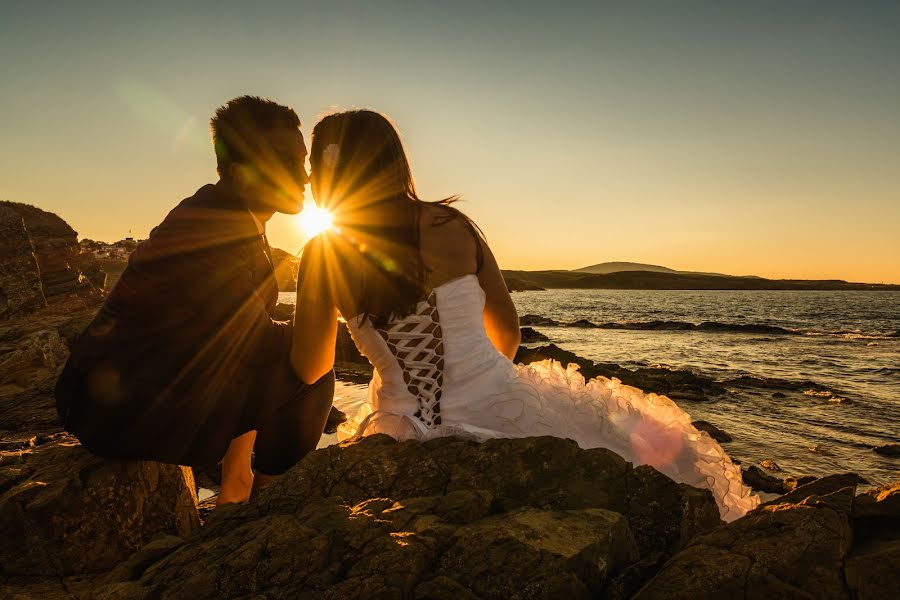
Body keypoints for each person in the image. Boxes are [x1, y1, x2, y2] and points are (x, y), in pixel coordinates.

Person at [290, 109, 759, 522]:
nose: (311, 179)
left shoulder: (322, 252)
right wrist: (483, 384)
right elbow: (507, 333)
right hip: (500, 400)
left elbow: (311, 367)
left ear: (334, 171)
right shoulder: (453, 226)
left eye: (315, 166)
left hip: (400, 427)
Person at [55, 96, 335, 504]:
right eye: (289, 163)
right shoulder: (212, 236)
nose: (305, 177)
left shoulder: (225, 215)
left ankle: (235, 498)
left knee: (283, 361)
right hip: (116, 415)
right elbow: (292, 361)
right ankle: (271, 509)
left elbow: (243, 357)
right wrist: (324, 281)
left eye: (302, 160)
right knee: (314, 378)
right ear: (242, 177)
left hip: (104, 401)